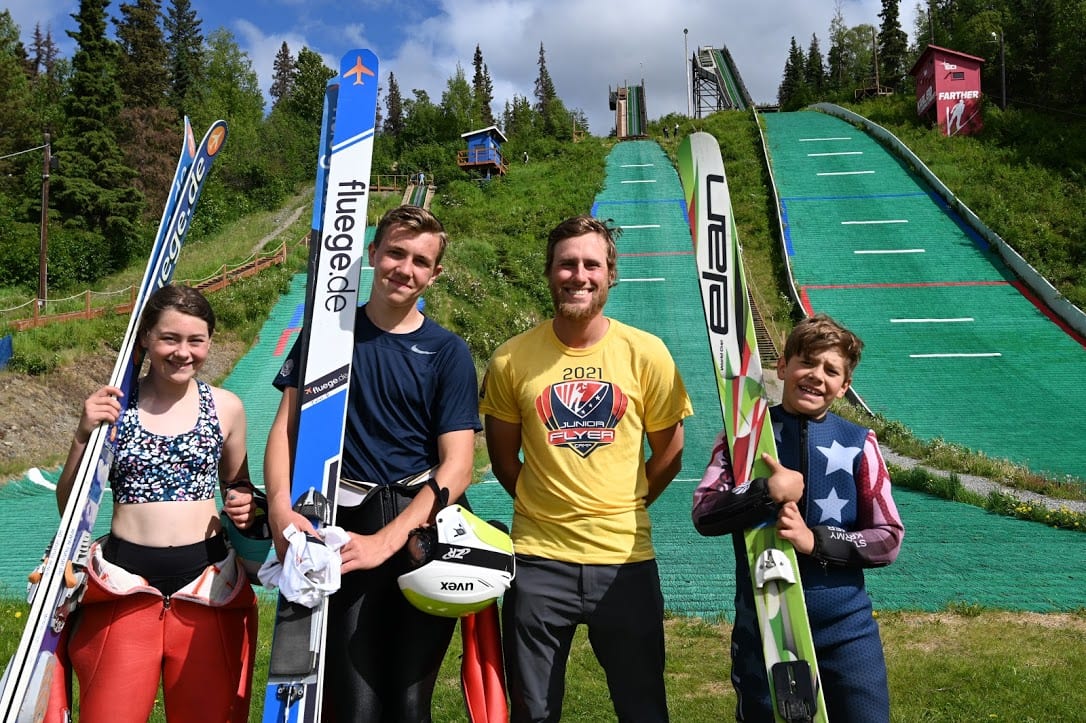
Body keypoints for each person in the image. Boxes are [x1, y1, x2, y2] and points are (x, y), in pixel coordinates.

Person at [265, 204, 480, 721]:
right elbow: (284, 430)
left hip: (419, 533)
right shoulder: (326, 337)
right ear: (373, 253)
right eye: (396, 253)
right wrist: (278, 510)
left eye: (421, 261)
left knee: (409, 707)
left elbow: (458, 467)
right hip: (344, 532)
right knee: (353, 706)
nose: (405, 269)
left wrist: (389, 540)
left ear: (435, 274)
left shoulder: (447, 351)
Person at [480, 214, 693, 722]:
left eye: (591, 264)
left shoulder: (647, 353)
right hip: (537, 562)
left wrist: (629, 502)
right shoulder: (511, 360)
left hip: (625, 559)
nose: (579, 275)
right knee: (533, 713)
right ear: (550, 272)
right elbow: (505, 461)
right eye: (566, 264)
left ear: (610, 273)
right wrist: (544, 505)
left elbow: (670, 453)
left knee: (643, 709)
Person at [54, 284, 259, 723]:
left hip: (207, 587)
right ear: (145, 337)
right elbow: (69, 506)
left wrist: (245, 503)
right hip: (123, 586)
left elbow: (238, 488)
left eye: (195, 340)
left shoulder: (226, 408)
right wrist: (81, 435)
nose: (183, 352)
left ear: (209, 342)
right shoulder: (112, 409)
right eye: (170, 338)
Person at [692, 313, 904, 723]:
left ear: (844, 387)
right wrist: (765, 492)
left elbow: (888, 536)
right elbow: (705, 513)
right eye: (807, 362)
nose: (816, 376)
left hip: (846, 627)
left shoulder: (859, 442)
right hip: (765, 625)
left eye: (831, 371)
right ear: (783, 366)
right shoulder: (743, 440)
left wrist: (815, 541)